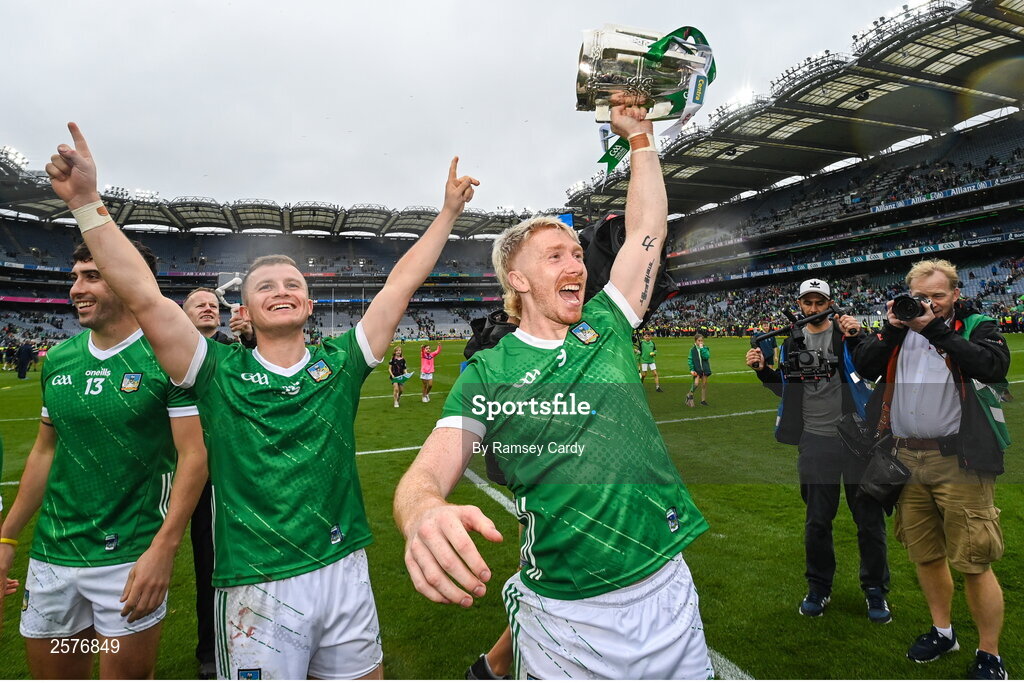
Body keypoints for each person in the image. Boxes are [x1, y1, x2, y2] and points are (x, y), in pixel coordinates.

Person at [44, 121, 478, 680]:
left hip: (344, 568)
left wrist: (447, 214)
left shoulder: (340, 364)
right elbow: (144, 296)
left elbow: (398, 286)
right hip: (256, 584)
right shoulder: (213, 368)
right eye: (265, 286)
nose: (281, 290)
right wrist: (86, 203)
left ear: (309, 302)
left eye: (292, 283)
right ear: (244, 312)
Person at [394, 104, 713, 680]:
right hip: (568, 618)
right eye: (554, 255)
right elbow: (426, 473)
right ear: (516, 279)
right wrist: (421, 513)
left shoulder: (607, 324)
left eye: (576, 253)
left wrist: (641, 138)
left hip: (669, 583)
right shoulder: (489, 373)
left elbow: (647, 232)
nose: (577, 264)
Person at [0, 241, 208, 679]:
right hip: (52, 556)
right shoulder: (59, 359)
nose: (76, 288)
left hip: (128, 559)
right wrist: (8, 538)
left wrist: (164, 548)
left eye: (92, 276)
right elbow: (45, 450)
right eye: (75, 276)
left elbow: (195, 454)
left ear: (132, 280)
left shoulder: (168, 357)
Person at [852, 259, 1010, 680]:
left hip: (959, 459)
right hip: (905, 457)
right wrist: (891, 328)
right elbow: (863, 365)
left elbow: (993, 366)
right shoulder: (897, 331)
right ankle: (943, 631)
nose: (929, 304)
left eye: (938, 297)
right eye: (921, 297)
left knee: (974, 559)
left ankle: (989, 654)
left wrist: (933, 328)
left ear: (955, 294)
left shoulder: (976, 324)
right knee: (925, 555)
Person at [744, 278, 890, 623]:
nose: (813, 309)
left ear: (830, 303)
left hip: (857, 439)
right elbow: (787, 391)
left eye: (819, 302)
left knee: (869, 521)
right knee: (818, 522)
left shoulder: (847, 334)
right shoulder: (792, 341)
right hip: (815, 441)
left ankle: (875, 591)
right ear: (799, 305)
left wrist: (860, 336)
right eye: (807, 303)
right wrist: (763, 371)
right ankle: (819, 587)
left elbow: (875, 368)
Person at [180, 286, 255, 679]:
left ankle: (252, 638)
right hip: (194, 475)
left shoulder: (232, 348)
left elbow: (267, 366)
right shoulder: (170, 348)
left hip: (239, 469)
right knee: (208, 562)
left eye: (213, 305)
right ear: (183, 313)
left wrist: (249, 336)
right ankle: (210, 649)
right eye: (199, 305)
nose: (209, 309)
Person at [686, 334, 711, 406]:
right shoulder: (692, 350)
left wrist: (702, 349)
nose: (700, 342)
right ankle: (690, 394)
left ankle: (703, 400)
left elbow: (706, 357)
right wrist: (692, 369)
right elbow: (690, 360)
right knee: (696, 384)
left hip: (705, 369)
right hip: (697, 369)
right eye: (699, 341)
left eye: (702, 341)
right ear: (695, 341)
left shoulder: (705, 348)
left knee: (704, 385)